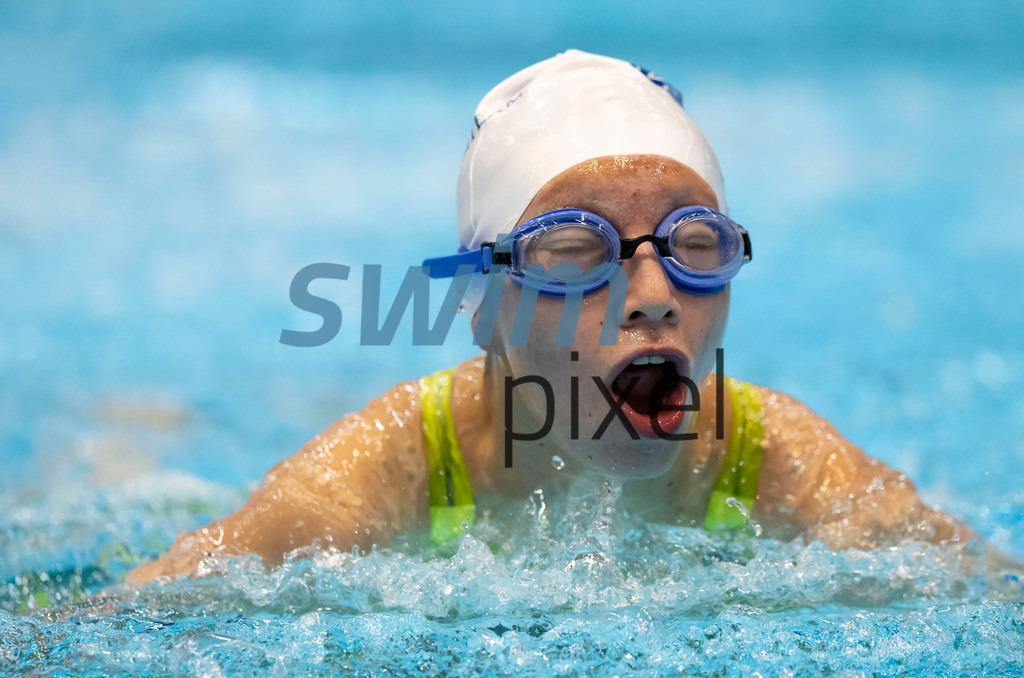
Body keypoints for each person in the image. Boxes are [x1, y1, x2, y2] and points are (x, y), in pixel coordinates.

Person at [127, 49, 978, 585]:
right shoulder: (366, 486)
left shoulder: (784, 468)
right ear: (482, 302)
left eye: (694, 241)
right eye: (575, 250)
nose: (653, 293)